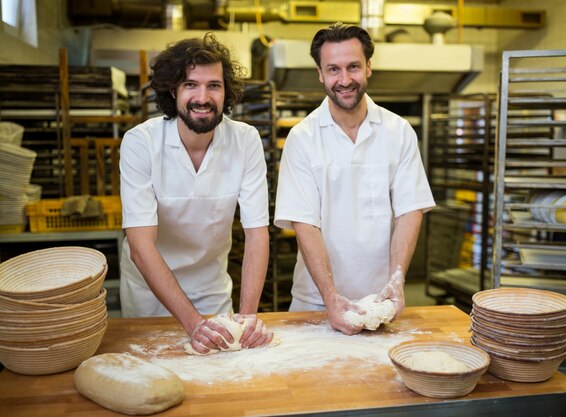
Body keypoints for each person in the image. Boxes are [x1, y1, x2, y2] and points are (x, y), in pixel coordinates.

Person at [274, 23, 435, 335]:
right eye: (333, 69)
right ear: (320, 73)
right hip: (316, 302)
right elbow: (305, 224)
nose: (344, 80)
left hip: (381, 300)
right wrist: (330, 297)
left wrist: (397, 280)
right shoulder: (302, 138)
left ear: (369, 68)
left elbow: (410, 210)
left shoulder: (398, 131)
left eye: (353, 67)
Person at [119, 33, 273, 354]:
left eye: (214, 86)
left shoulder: (245, 141)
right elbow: (140, 247)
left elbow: (257, 235)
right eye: (191, 84)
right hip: (150, 293)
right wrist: (193, 324)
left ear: (226, 92)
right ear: (173, 90)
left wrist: (245, 317)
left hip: (211, 290)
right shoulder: (141, 143)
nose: (203, 97)